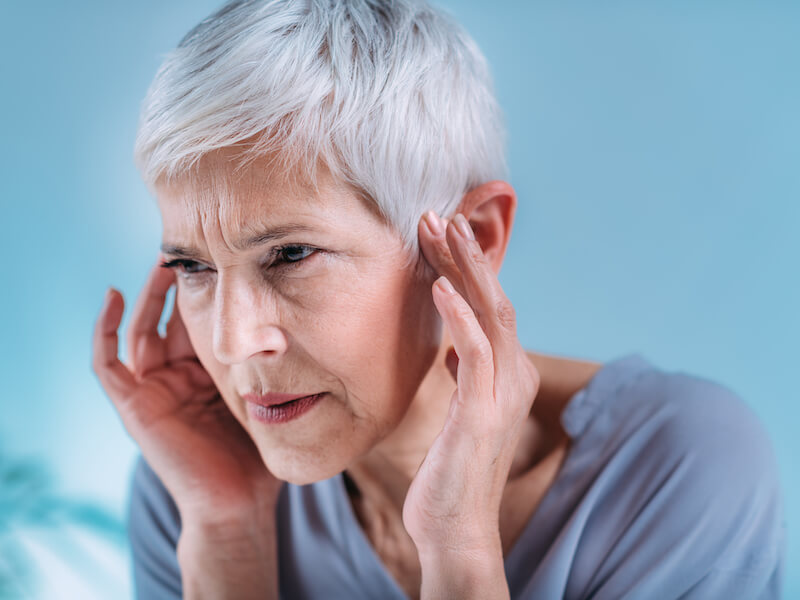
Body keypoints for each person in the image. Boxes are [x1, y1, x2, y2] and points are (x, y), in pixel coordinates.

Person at [91, 0, 786, 598]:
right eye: (193, 267)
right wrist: (226, 537)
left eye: (291, 255)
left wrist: (459, 552)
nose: (233, 342)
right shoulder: (192, 483)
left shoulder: (675, 470)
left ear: (473, 239)